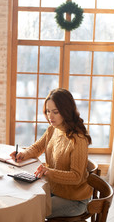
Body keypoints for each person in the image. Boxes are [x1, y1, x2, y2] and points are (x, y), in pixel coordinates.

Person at [10, 88, 92, 218]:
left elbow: (77, 176)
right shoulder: (53, 129)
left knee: (27, 210)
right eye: (48, 111)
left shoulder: (78, 140)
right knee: (19, 197)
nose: (50, 116)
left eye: (55, 112)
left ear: (66, 111)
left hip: (74, 200)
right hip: (54, 190)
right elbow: (37, 147)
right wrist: (23, 154)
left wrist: (49, 172)